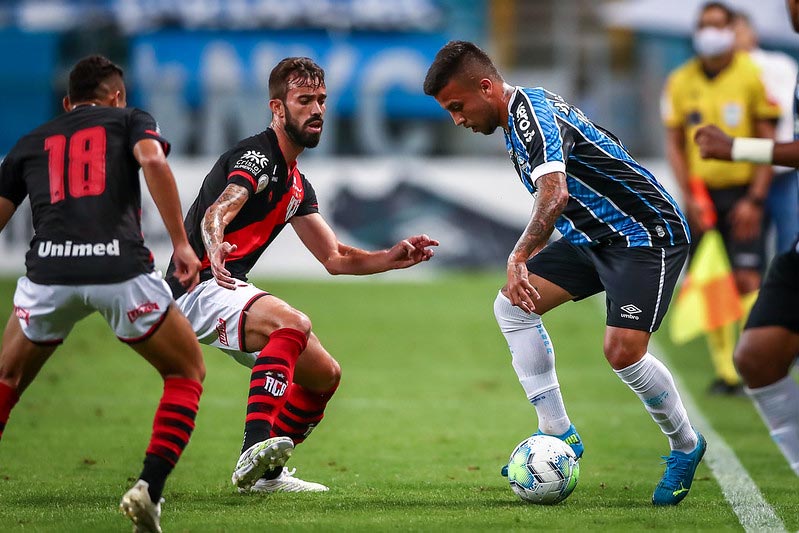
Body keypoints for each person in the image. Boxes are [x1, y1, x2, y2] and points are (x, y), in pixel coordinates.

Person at [423, 40, 704, 506]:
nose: (457, 119)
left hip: (644, 234)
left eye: (458, 106)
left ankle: (686, 446)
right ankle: (558, 431)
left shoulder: (531, 114)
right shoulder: (519, 119)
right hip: (592, 238)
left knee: (623, 352)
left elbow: (554, 195)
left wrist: (517, 257)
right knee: (512, 307)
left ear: (487, 87)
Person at [164, 56, 438, 493]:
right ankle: (253, 448)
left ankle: (267, 477)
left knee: (324, 375)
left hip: (230, 286)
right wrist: (214, 246)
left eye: (322, 100)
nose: (316, 109)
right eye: (304, 100)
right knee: (292, 322)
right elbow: (218, 211)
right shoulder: (257, 157)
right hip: (198, 285)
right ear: (277, 109)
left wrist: (391, 256)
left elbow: (334, 257)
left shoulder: (295, 184)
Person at [0, 55, 206, 532]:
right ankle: (149, 490)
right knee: (186, 370)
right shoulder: (131, 119)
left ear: (69, 103)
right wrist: (180, 242)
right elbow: (152, 159)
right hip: (119, 270)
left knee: (6, 380)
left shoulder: (31, 141)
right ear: (118, 96)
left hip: (48, 274)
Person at [693, 0, 799, 477]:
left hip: (764, 185)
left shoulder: (769, 68)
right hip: (718, 194)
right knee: (756, 356)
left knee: (749, 274)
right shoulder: (686, 79)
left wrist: (734, 147)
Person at [662, 1, 780, 395]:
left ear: (732, 30)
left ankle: (753, 366)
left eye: (717, 25)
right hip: (701, 197)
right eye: (703, 25)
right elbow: (675, 143)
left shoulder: (751, 76)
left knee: (748, 279)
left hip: (744, 192)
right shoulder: (681, 80)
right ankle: (726, 373)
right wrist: (688, 195)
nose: (708, 33)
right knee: (711, 280)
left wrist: (756, 198)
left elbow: (767, 138)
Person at [733, 10, 799, 254]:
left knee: (789, 245)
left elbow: (781, 116)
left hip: (782, 171)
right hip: (745, 177)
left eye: (738, 30)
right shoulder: (724, 75)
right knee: (748, 252)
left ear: (752, 34)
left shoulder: (777, 65)